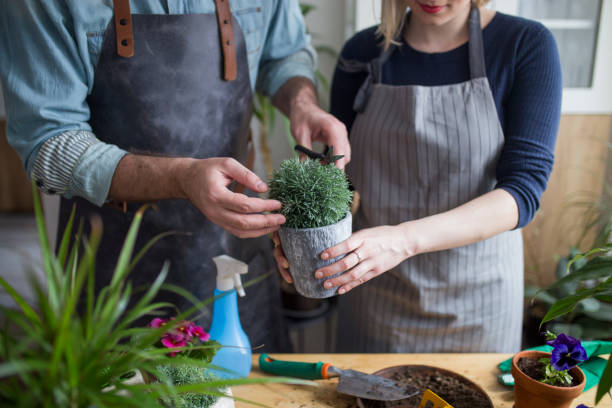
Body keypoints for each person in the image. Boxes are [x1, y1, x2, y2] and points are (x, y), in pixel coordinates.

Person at [0, 0, 349, 352]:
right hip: (114, 271)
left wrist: (302, 104)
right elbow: (48, 143)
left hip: (235, 262)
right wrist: (183, 177)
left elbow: (285, 56)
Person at [275, 0, 562, 353]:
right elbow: (337, 182)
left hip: (477, 305)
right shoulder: (362, 53)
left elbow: (523, 193)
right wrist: (302, 236)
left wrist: (404, 240)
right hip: (375, 300)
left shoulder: (523, 45)